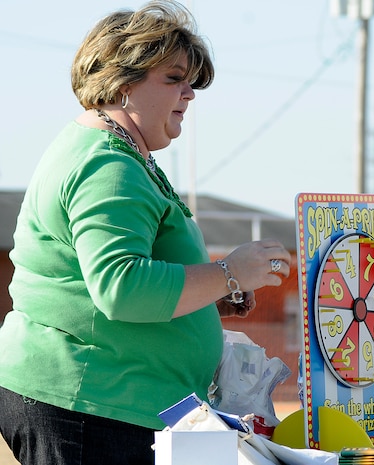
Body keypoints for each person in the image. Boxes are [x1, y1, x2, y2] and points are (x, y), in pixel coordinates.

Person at [0, 2, 292, 465]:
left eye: (191, 81)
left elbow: (120, 276)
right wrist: (227, 271)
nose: (190, 93)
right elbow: (121, 288)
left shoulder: (116, 152)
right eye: (174, 78)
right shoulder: (109, 164)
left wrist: (207, 290)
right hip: (89, 403)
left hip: (103, 403)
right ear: (121, 83)